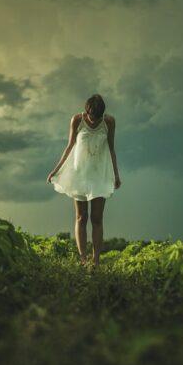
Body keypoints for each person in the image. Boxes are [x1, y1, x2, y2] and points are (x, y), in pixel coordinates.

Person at [47, 93, 122, 268]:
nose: (93, 120)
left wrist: (116, 175)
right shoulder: (77, 120)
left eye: (97, 117)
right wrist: (56, 170)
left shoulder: (109, 122)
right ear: (86, 111)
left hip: (99, 176)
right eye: (91, 116)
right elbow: (69, 146)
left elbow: (111, 149)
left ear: (102, 114)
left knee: (97, 218)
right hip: (79, 175)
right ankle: (83, 260)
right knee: (81, 217)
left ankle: (96, 262)